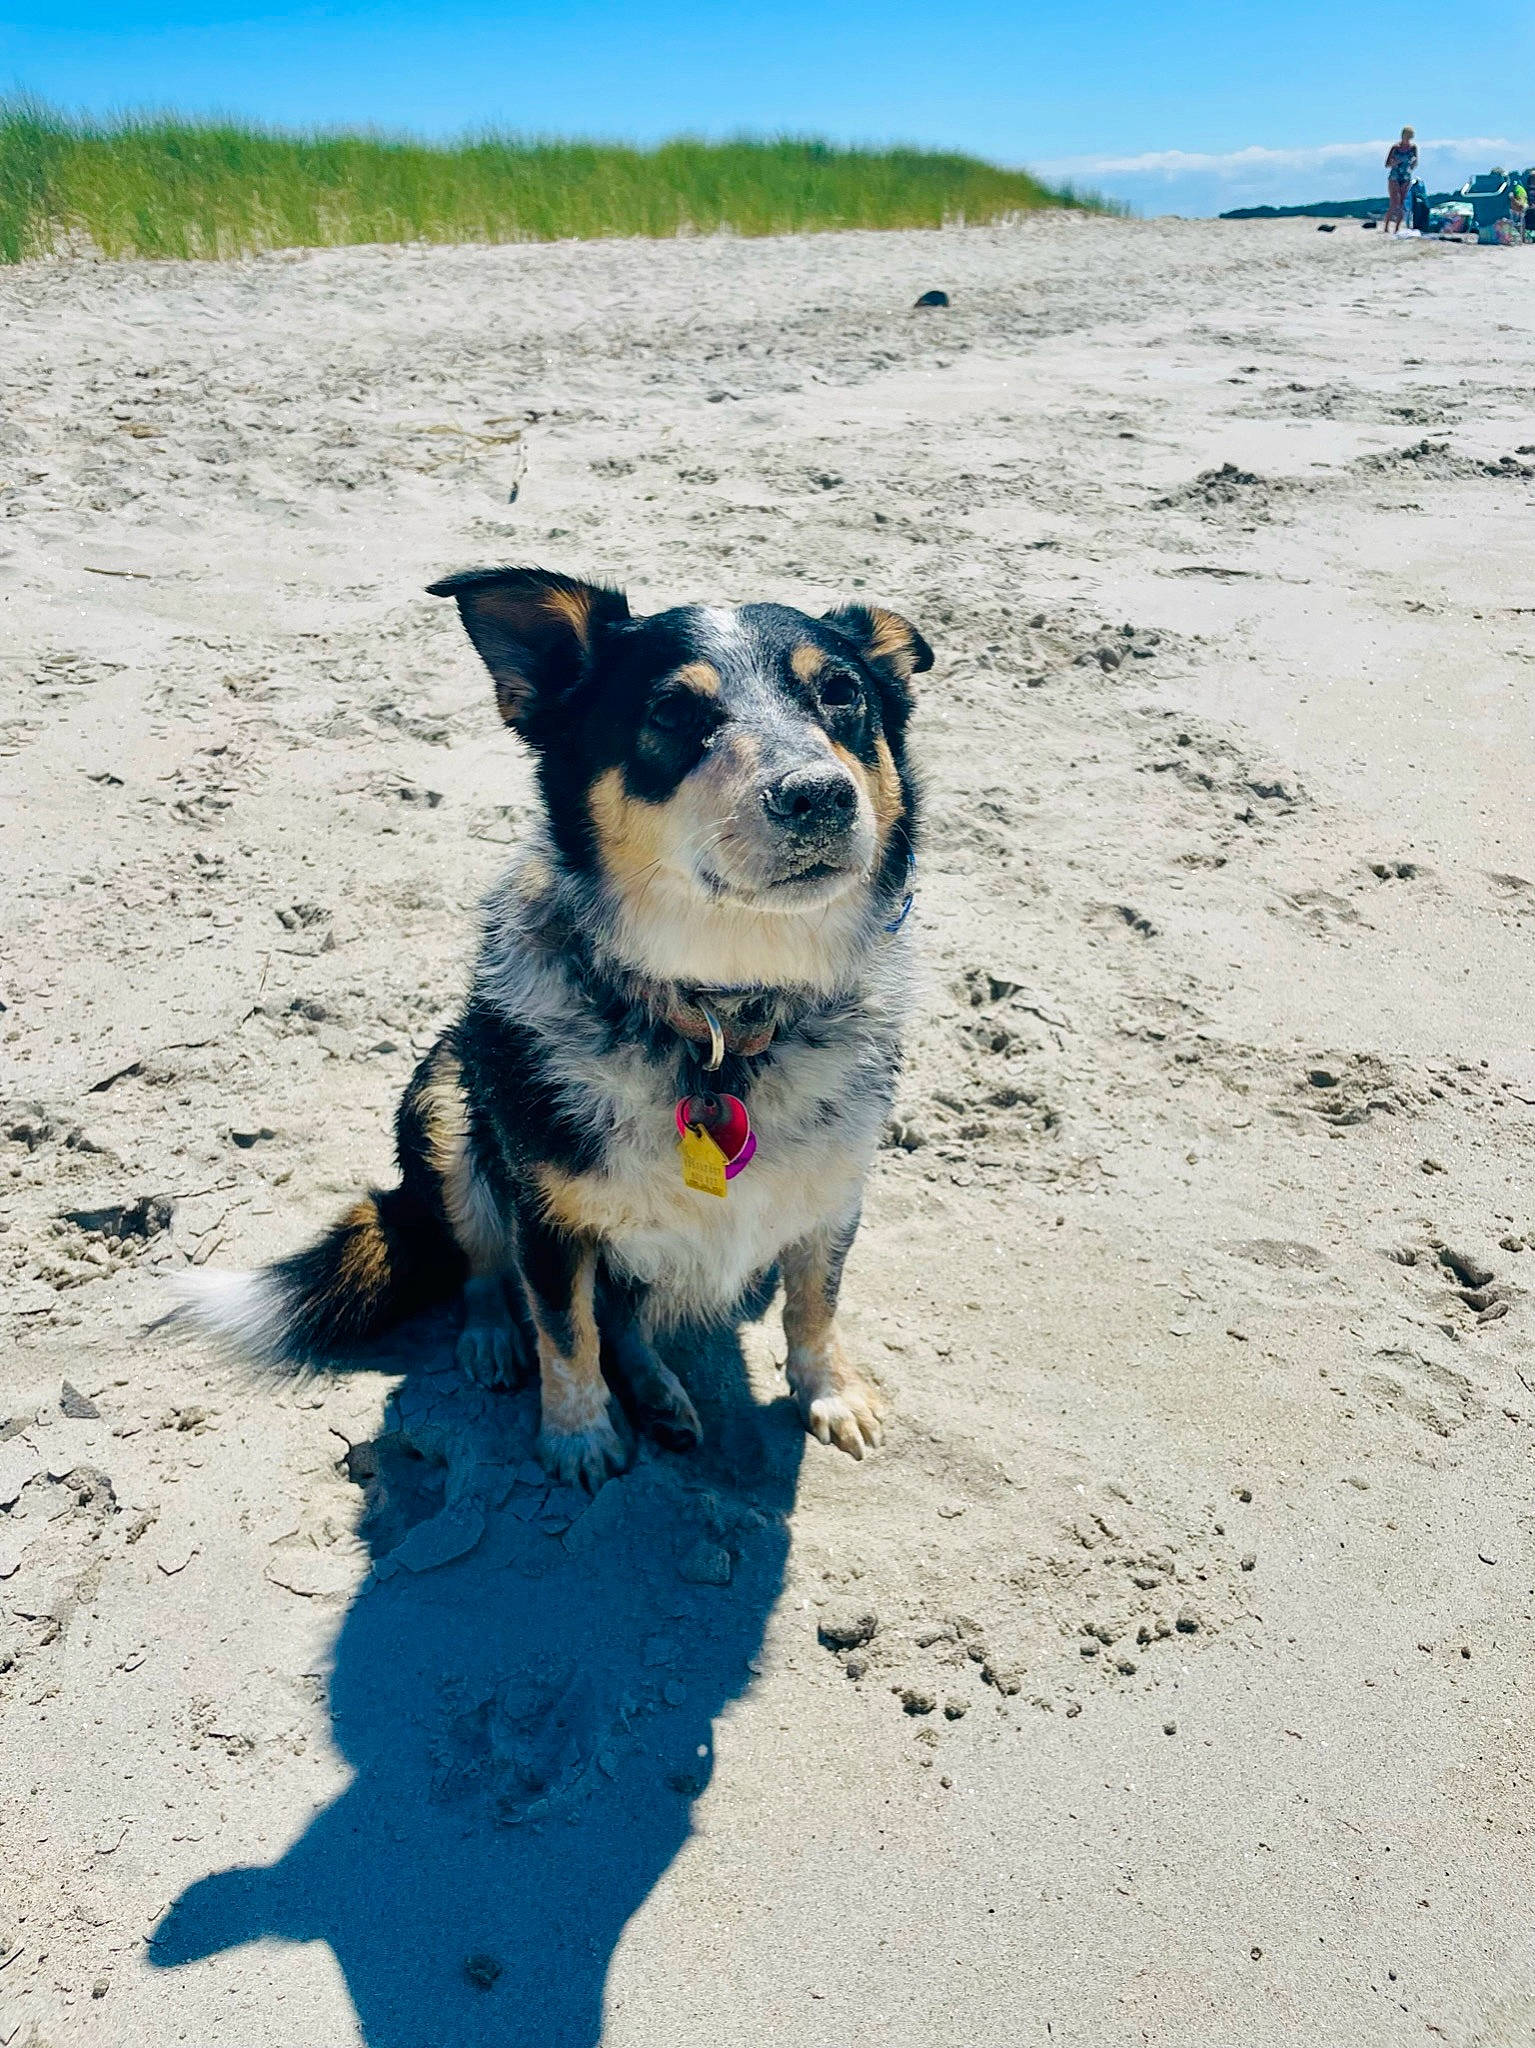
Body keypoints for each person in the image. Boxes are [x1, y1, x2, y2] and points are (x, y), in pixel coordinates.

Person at [1384, 127, 1418, 233]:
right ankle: (1386, 227)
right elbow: (1387, 164)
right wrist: (1394, 163)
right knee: (1394, 202)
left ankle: (1397, 228)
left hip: (1406, 176)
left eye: (1409, 137)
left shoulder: (1413, 148)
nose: (1407, 139)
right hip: (1394, 176)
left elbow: (1415, 163)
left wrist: (1413, 162)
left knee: (1402, 203)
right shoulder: (1395, 148)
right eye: (1406, 137)